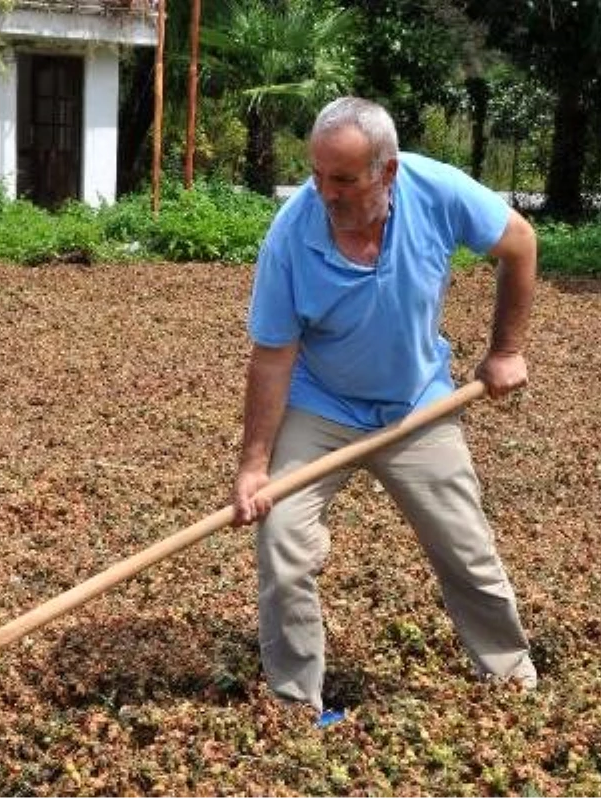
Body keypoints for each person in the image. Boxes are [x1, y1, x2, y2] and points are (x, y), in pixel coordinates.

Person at [230, 96, 539, 712]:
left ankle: (511, 679)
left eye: (343, 179)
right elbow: (272, 357)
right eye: (317, 176)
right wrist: (254, 466)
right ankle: (295, 705)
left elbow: (520, 243)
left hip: (415, 406)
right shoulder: (291, 236)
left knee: (466, 550)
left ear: (387, 171)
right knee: (283, 544)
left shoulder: (437, 192)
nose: (326, 193)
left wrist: (505, 349)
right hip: (321, 408)